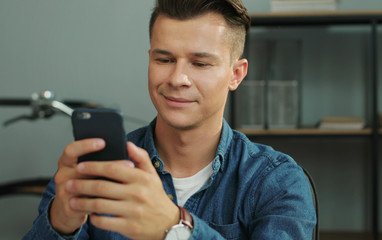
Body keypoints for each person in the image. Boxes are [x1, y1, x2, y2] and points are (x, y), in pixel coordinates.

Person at [24, 0, 316, 239]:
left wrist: (176, 226)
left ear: (235, 74)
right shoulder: (95, 168)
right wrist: (60, 222)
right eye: (164, 60)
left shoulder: (278, 182)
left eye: (200, 63)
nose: (177, 79)